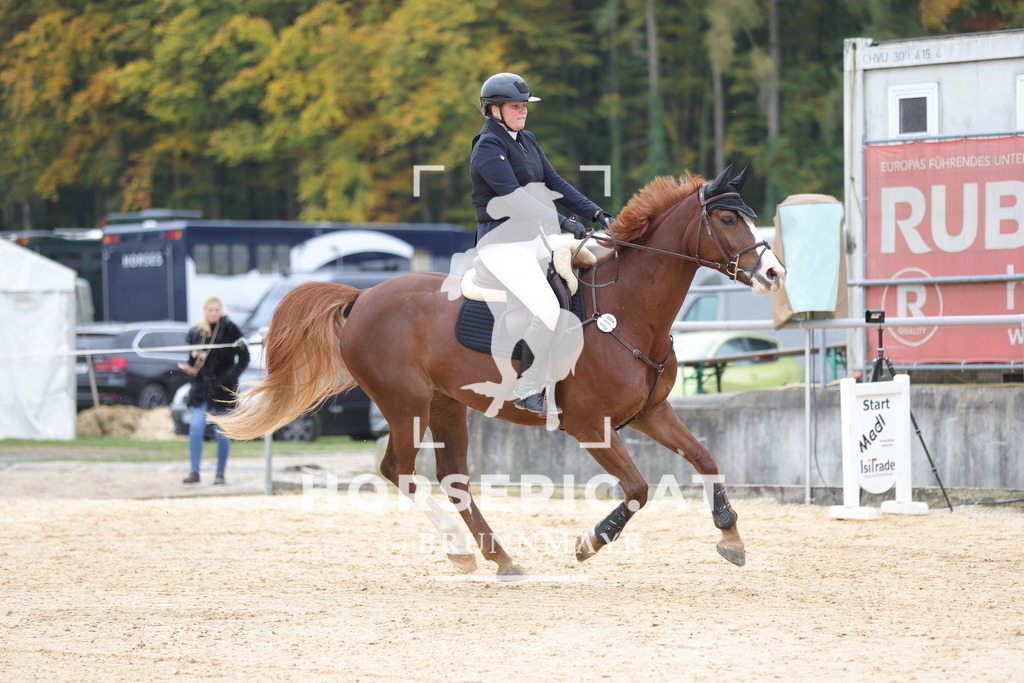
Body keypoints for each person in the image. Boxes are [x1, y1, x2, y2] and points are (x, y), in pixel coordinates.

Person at [470, 72, 614, 416]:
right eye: (516, 106)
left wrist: (597, 214)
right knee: (548, 309)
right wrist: (563, 222)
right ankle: (529, 387)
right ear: (494, 111)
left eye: (525, 106)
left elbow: (555, 182)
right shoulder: (487, 147)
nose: (523, 111)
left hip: (533, 240)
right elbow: (514, 196)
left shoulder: (526, 140)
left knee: (584, 283)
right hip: (501, 244)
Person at [180, 297, 249, 485]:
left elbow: (244, 356)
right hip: (201, 389)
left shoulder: (230, 329)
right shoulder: (197, 332)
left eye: (216, 310)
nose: (214, 313)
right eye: (210, 310)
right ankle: (194, 471)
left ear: (221, 310)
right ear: (205, 311)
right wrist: (190, 369)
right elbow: (193, 360)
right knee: (195, 428)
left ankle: (220, 473)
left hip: (222, 389)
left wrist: (232, 376)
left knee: (222, 433)